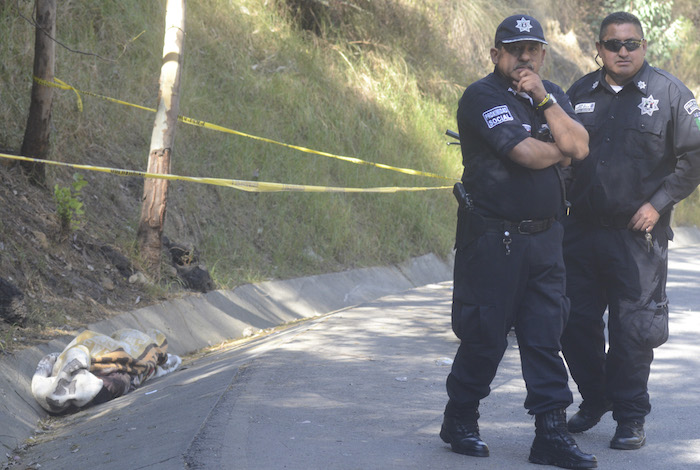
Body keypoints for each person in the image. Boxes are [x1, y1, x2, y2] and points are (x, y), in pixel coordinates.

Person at [441, 14, 597, 469]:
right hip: (493, 240)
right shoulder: (482, 96)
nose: (524, 57)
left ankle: (549, 435)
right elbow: (524, 153)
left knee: (545, 335)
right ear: (496, 54)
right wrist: (560, 146)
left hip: (547, 238)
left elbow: (582, 147)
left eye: (532, 49)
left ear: (544, 55)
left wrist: (545, 100)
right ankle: (460, 418)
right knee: (484, 335)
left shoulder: (551, 95)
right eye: (514, 49)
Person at [562, 11, 700, 450]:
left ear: (643, 46)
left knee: (633, 330)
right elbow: (561, 152)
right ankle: (597, 396)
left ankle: (630, 416)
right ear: (599, 49)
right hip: (580, 232)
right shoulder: (578, 92)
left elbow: (695, 156)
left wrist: (658, 205)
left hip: (637, 237)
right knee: (570, 322)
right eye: (613, 44)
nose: (623, 51)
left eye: (631, 43)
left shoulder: (671, 94)